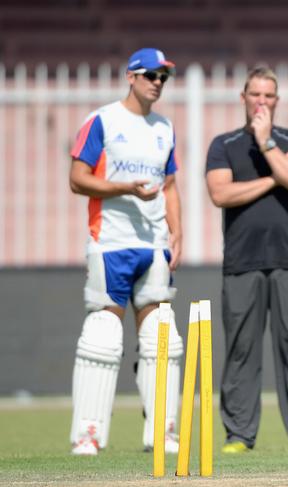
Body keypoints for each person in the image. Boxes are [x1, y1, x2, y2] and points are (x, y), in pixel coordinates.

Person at [205, 66, 288, 454]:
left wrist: (267, 146)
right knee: (241, 350)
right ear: (242, 97)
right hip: (241, 261)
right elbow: (220, 194)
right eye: (255, 94)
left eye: (268, 96)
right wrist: (275, 176)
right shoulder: (223, 144)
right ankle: (239, 435)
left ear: (277, 101)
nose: (261, 102)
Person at [68, 48, 184, 455]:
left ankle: (163, 431)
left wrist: (177, 232)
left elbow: (169, 185)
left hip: (152, 245)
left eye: (163, 77)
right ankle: (89, 434)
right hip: (110, 242)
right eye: (151, 75)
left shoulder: (165, 127)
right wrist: (124, 188)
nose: (158, 82)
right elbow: (78, 179)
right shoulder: (101, 120)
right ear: (131, 77)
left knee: (161, 337)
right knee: (103, 335)